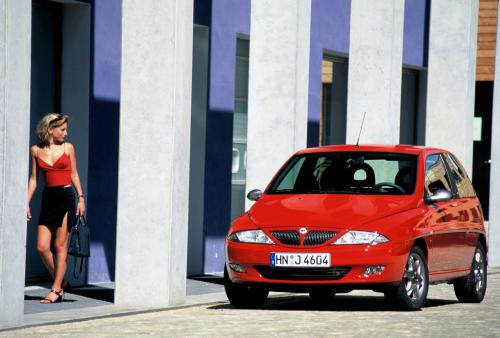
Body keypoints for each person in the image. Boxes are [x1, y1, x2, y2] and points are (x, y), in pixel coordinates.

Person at [27, 113, 85, 304]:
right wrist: (26, 202)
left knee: (60, 246)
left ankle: (56, 288)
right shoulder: (35, 150)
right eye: (63, 129)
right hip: (48, 198)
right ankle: (61, 281)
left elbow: (74, 174)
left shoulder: (68, 148)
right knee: (42, 247)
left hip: (66, 197)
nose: (66, 133)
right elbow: (34, 179)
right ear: (50, 129)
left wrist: (81, 198)